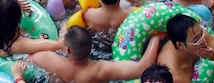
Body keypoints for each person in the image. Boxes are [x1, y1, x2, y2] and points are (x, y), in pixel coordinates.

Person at [29, 26, 161, 83]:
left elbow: (25, 62)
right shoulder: (101, 70)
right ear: (91, 46)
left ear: (67, 50)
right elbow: (143, 68)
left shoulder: (48, 60)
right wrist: (156, 38)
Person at [157, 14, 214, 82]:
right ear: (180, 45)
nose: (203, 40)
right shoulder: (173, 74)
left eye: (201, 33)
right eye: (197, 39)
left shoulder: (196, 34)